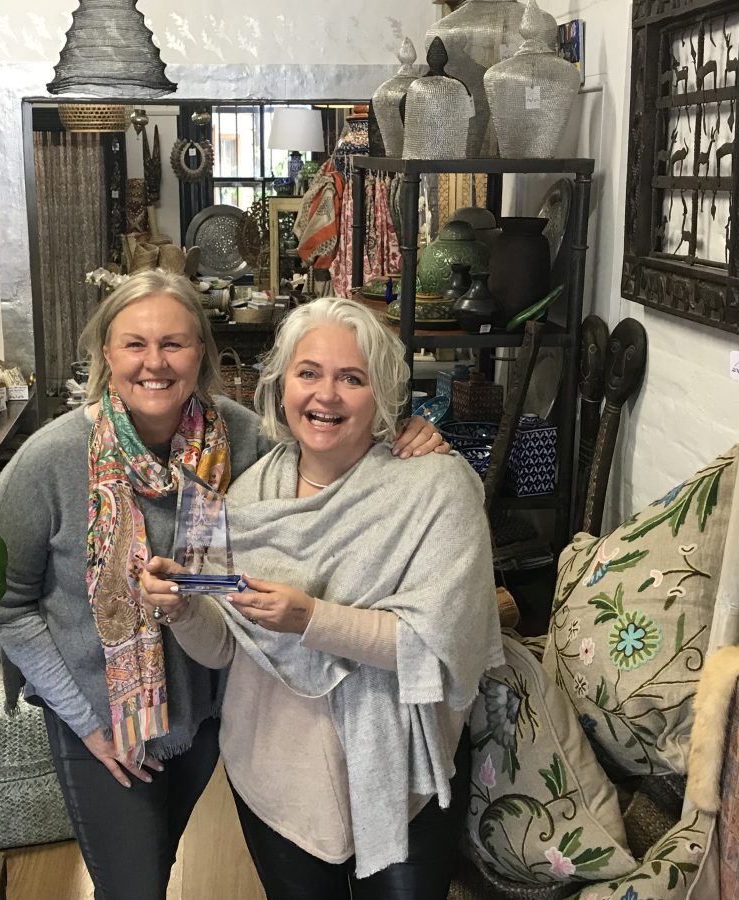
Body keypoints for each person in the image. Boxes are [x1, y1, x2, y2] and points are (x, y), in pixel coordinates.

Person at [0, 270, 448, 900]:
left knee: (158, 863)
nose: (155, 362)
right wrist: (86, 721)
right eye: (135, 345)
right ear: (106, 356)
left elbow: (329, 448)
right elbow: (3, 605)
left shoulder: (242, 440)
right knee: (134, 887)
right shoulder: (49, 461)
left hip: (205, 711)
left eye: (173, 343)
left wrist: (407, 438)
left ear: (202, 351)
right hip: (105, 722)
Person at [140, 297, 502, 900]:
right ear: (282, 384)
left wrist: (311, 618)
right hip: (276, 776)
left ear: (383, 395)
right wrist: (181, 609)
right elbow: (225, 647)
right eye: (308, 373)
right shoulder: (248, 493)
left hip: (400, 776)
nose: (325, 396)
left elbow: (440, 648)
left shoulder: (438, 488)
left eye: (351, 378)